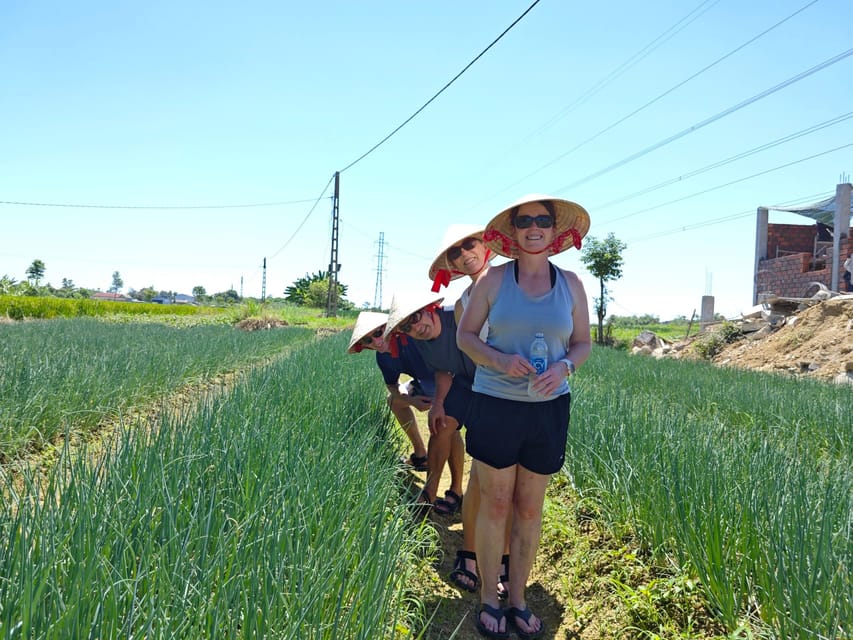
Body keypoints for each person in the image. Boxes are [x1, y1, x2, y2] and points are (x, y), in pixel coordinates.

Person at [457, 194, 592, 639]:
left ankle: (517, 598)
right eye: (525, 221)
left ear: (555, 231)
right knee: (496, 503)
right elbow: (466, 336)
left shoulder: (571, 283)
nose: (534, 227)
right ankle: (489, 600)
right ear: (513, 232)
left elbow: (582, 344)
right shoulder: (494, 280)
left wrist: (564, 367)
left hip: (548, 408)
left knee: (530, 508)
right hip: (496, 404)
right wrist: (497, 360)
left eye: (543, 221)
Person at [429, 224, 511, 600]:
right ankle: (471, 552)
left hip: (528, 395)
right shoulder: (463, 301)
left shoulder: (513, 279)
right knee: (482, 479)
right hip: (490, 394)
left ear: (487, 243)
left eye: (469, 244)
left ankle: (508, 557)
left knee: (515, 487)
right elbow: (471, 354)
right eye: (456, 253)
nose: (465, 254)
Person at [384, 291, 475, 517]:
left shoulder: (459, 315)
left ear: (430, 308)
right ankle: (428, 495)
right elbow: (442, 369)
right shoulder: (421, 341)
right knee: (441, 425)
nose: (416, 328)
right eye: (407, 328)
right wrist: (439, 403)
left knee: (485, 441)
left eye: (415, 318)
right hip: (463, 382)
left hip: (492, 380)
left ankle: (473, 497)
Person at [347, 311, 431, 470]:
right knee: (393, 400)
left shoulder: (412, 339)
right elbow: (392, 385)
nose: (376, 342)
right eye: (368, 340)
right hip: (425, 383)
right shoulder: (383, 357)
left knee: (445, 421)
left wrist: (439, 400)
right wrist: (410, 400)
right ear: (364, 345)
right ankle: (421, 455)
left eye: (378, 333)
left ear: (388, 328)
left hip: (447, 380)